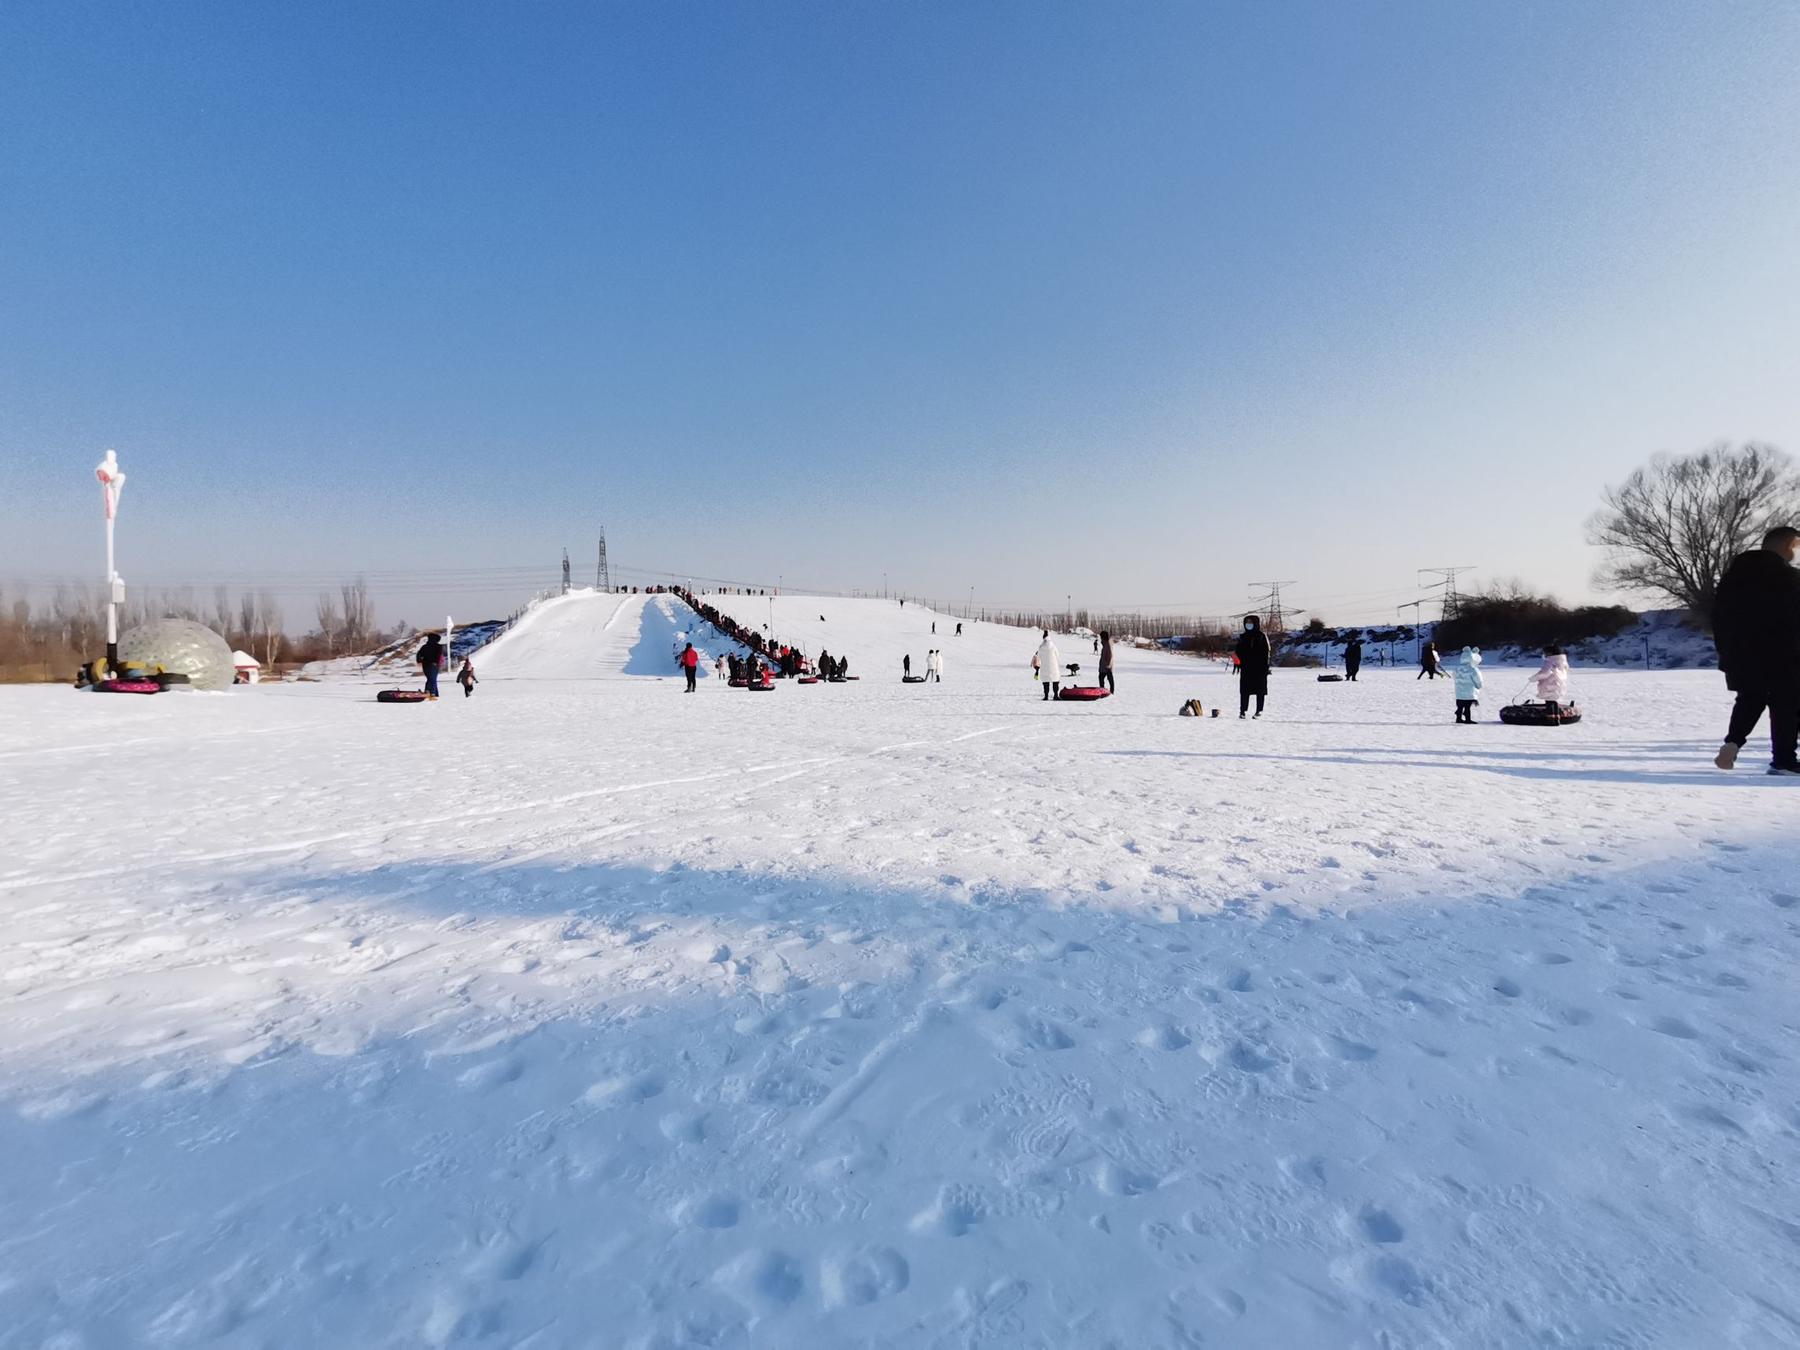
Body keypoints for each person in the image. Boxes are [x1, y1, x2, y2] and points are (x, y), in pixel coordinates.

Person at [1712, 525, 1800, 773]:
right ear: (1786, 546)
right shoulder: (1788, 579)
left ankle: (1732, 743)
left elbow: (1718, 618)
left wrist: (1726, 651)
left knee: (1751, 698)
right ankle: (1783, 759)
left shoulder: (1732, 578)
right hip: (1784, 653)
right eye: (1796, 547)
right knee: (1787, 705)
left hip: (1740, 653)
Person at [1235, 615, 1271, 718]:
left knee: (1260, 690)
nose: (1248, 625)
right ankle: (1243, 711)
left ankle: (1259, 710)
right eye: (1247, 623)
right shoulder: (1242, 637)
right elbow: (1238, 651)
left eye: (1251, 622)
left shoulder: (1262, 636)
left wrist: (1266, 667)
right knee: (1244, 691)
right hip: (1246, 668)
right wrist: (1237, 661)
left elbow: (1267, 652)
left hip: (1259, 669)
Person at [1532, 646, 1569, 714]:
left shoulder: (1551, 661)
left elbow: (1545, 672)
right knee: (1553, 702)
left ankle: (1551, 718)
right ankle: (1556, 717)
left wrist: (1534, 678)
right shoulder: (1562, 662)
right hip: (1559, 685)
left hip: (1550, 685)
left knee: (1549, 702)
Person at [1452, 646, 1484, 723]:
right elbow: (1478, 679)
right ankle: (1467, 719)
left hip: (1459, 692)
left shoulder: (1457, 668)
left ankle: (1458, 718)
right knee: (1467, 706)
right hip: (1469, 691)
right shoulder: (1473, 669)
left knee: (1460, 706)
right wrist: (1479, 686)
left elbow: (1454, 676)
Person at [1033, 630, 1061, 701]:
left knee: (1045, 682)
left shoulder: (1041, 647)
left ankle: (1046, 696)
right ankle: (1055, 695)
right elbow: (1058, 656)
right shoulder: (1053, 646)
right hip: (1053, 667)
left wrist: (1037, 667)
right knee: (1055, 681)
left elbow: (1038, 657)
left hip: (1044, 667)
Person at [417, 632, 444, 701]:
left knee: (430, 679)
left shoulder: (424, 647)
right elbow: (439, 655)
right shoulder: (438, 646)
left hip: (425, 665)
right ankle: (432, 694)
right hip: (433, 665)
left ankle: (429, 692)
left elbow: (419, 654)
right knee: (432, 679)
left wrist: (419, 661)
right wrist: (436, 662)